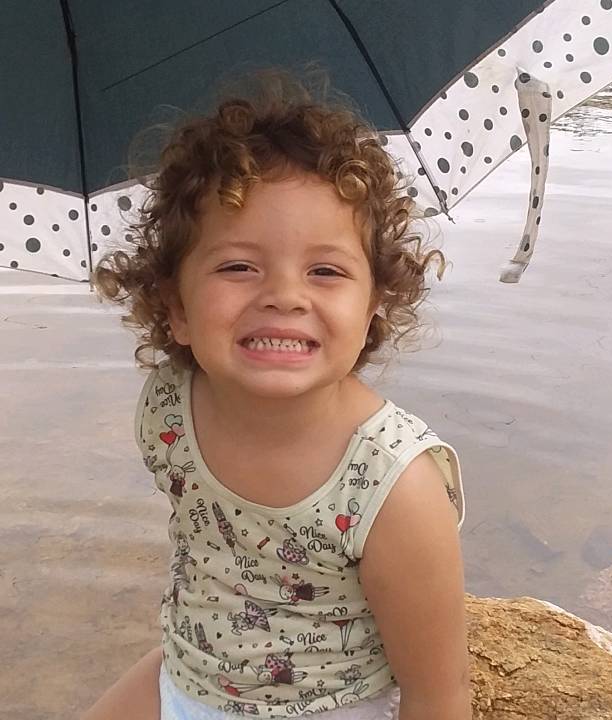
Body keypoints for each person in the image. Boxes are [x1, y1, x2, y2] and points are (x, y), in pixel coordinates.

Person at [83, 69, 470, 720]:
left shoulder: (394, 486)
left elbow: (439, 693)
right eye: (238, 266)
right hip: (186, 678)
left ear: (374, 304)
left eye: (325, 270)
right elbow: (219, 575)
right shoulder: (169, 408)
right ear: (175, 307)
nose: (285, 296)